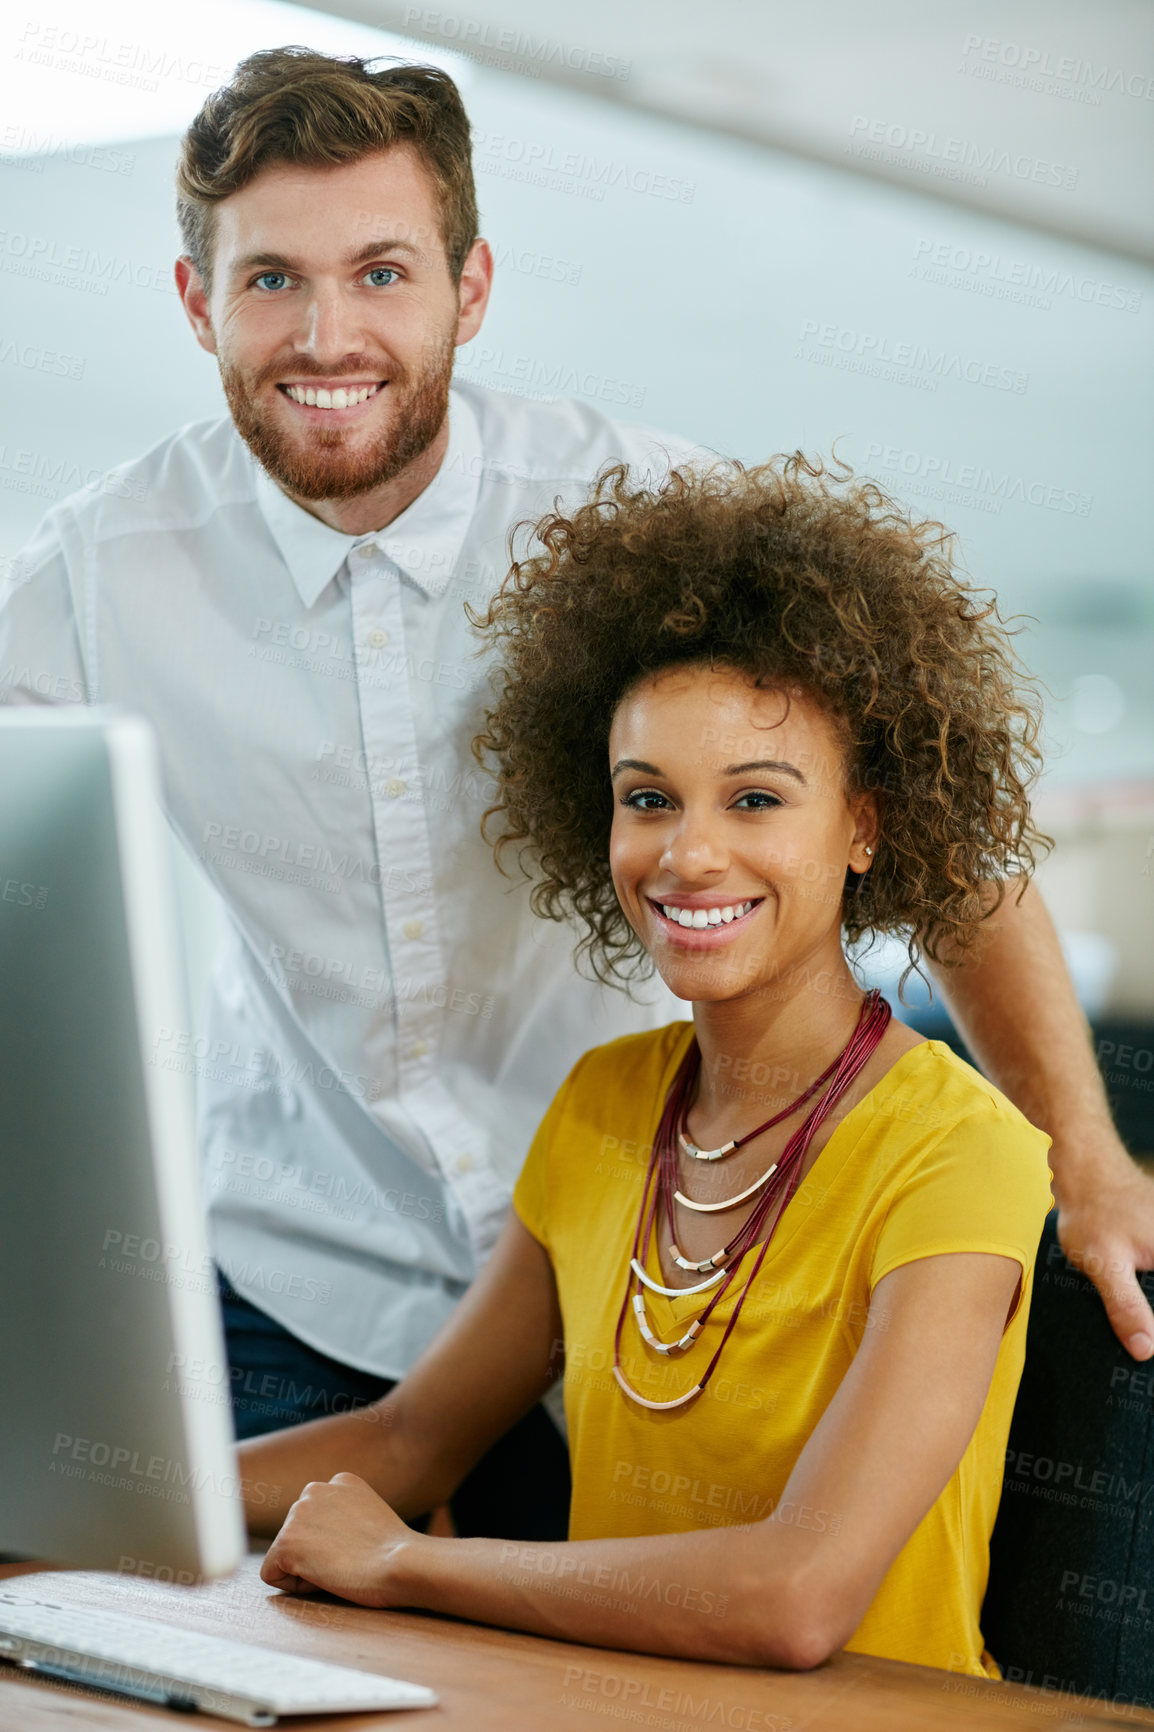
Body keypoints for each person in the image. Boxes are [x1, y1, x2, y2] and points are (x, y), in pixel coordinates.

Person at [0, 48, 1148, 1530]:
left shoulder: (633, 513)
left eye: (382, 272)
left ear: (470, 289)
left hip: (635, 1263)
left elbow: (933, 830)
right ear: (194, 301)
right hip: (297, 1287)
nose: (326, 330)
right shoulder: (88, 577)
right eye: (271, 279)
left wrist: (1088, 1154)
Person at [245, 457, 1053, 1676]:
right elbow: (413, 1440)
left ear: (863, 829)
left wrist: (405, 1564)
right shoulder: (606, 1103)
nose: (688, 854)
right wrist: (78, 1485)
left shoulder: (960, 1149)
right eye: (648, 797)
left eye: (755, 799)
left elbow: (793, 1594)